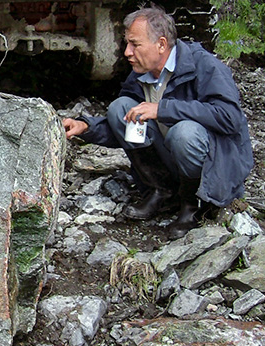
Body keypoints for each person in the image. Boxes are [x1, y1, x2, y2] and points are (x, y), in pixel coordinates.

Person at [62, 7, 253, 240]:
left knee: (184, 132)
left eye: (135, 44)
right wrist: (87, 128)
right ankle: (161, 190)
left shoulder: (205, 65)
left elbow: (229, 118)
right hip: (174, 158)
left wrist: (162, 109)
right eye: (126, 44)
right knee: (120, 108)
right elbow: (128, 126)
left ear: (161, 44)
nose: (127, 52)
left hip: (216, 169)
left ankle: (194, 205)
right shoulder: (142, 73)